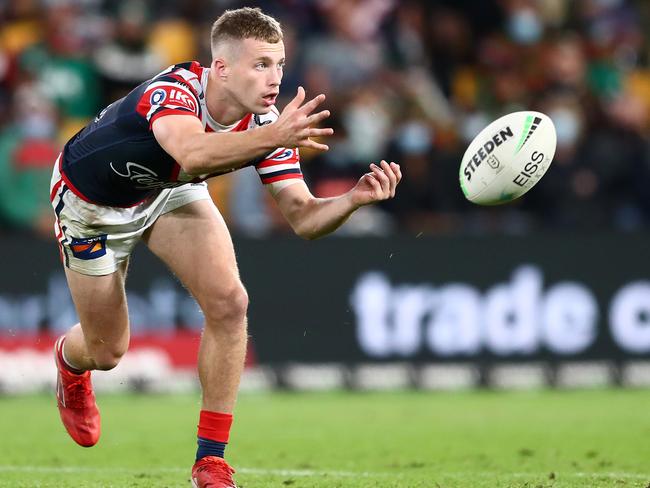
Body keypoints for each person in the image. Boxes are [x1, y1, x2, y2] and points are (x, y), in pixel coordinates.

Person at [50, 7, 401, 488]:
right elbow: (193, 153)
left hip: (167, 191)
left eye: (278, 64)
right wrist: (273, 135)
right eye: (260, 65)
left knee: (230, 303)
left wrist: (352, 199)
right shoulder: (173, 93)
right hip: (89, 208)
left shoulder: (268, 123)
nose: (274, 78)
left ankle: (210, 461)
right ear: (221, 69)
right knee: (108, 351)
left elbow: (303, 218)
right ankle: (70, 365)